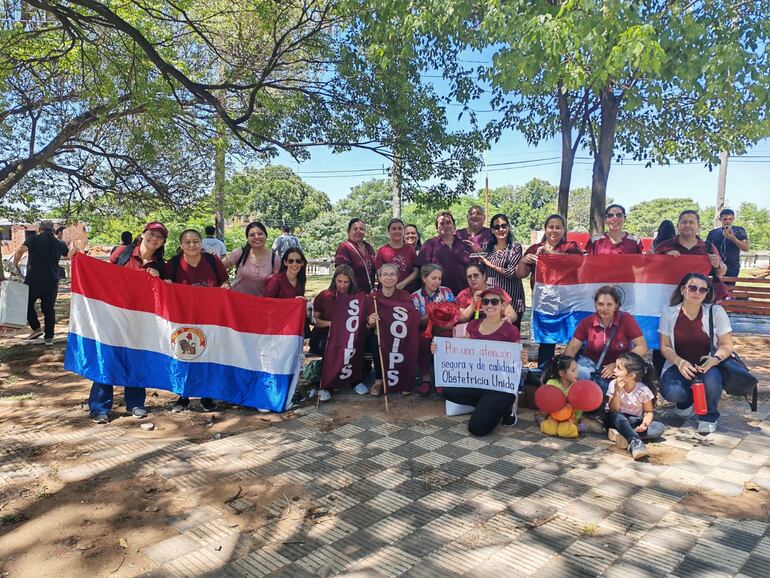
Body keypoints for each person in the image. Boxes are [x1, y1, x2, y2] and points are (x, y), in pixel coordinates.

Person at [85, 221, 168, 423]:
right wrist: (78, 261)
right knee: (107, 358)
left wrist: (159, 279)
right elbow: (102, 275)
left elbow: (166, 293)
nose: (154, 238)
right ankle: (100, 407)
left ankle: (136, 403)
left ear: (163, 242)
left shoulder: (161, 265)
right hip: (114, 315)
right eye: (151, 233)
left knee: (137, 359)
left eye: (159, 236)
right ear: (143, 234)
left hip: (142, 320)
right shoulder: (123, 252)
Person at [431, 287, 519, 436]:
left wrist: (521, 358)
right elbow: (462, 352)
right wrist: (439, 350)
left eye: (494, 301)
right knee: (444, 389)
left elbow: (515, 362)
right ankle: (485, 405)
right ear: (481, 305)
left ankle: (504, 407)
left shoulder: (510, 331)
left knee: (477, 429)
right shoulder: (473, 325)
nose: (489, 305)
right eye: (485, 301)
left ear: (502, 305)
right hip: (477, 382)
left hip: (500, 386)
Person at [658, 273, 733, 434]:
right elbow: (664, 346)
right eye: (692, 288)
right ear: (683, 289)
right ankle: (686, 404)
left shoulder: (716, 311)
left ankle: (709, 416)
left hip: (708, 363)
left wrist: (715, 359)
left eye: (702, 290)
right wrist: (679, 362)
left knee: (711, 380)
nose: (697, 292)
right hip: (679, 363)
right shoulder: (669, 313)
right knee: (672, 392)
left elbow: (726, 345)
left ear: (707, 293)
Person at [164, 229, 229, 413]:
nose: (192, 245)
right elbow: (165, 285)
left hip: (210, 318)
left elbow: (225, 282)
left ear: (201, 243)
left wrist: (225, 287)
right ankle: (183, 396)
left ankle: (206, 396)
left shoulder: (212, 260)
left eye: (195, 241)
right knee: (184, 355)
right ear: (181, 245)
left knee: (208, 353)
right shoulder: (174, 263)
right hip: (183, 318)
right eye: (187, 242)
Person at [516, 214, 582, 367]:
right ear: (545, 229)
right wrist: (524, 261)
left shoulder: (571, 247)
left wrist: (549, 253)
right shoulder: (535, 248)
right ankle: (544, 375)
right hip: (545, 303)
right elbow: (520, 274)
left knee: (573, 339)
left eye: (558, 227)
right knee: (546, 342)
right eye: (551, 227)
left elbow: (577, 263)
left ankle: (574, 374)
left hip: (569, 303)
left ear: (564, 230)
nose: (554, 230)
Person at [563, 286, 648, 393]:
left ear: (616, 306)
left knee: (612, 388)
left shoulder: (626, 319)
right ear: (595, 305)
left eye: (609, 304)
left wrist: (618, 364)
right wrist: (564, 369)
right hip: (591, 363)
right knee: (579, 374)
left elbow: (642, 346)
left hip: (620, 366)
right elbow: (572, 348)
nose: (604, 308)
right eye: (600, 304)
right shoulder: (587, 322)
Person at [309, 265, 363, 402]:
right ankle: (326, 385)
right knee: (329, 347)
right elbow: (315, 320)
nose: (342, 285)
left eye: (346, 282)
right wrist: (330, 324)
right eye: (339, 281)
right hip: (324, 333)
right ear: (334, 280)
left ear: (351, 282)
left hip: (349, 335)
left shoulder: (357, 297)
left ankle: (354, 380)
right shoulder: (324, 296)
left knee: (357, 343)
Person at [13, 220, 69, 345]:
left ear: (40, 229)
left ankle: (36, 328)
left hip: (34, 279)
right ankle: (49, 338)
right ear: (53, 230)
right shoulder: (59, 243)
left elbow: (20, 251)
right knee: (49, 309)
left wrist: (15, 265)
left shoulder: (33, 239)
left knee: (26, 303)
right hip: (52, 281)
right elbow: (69, 255)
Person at [604, 352, 665, 460]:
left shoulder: (643, 390)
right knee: (618, 417)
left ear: (631, 375)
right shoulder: (613, 384)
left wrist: (644, 425)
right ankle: (635, 442)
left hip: (632, 421)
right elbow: (613, 409)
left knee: (659, 427)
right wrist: (617, 391)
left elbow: (648, 412)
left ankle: (622, 434)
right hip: (614, 419)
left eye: (618, 368)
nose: (614, 370)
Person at [367, 263, 415, 396]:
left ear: (397, 278)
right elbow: (367, 321)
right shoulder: (373, 297)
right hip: (381, 333)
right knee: (375, 339)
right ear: (380, 278)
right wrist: (371, 320)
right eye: (385, 274)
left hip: (400, 333)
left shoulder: (404, 295)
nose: (389, 277)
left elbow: (410, 317)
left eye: (392, 274)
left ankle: (403, 380)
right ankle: (379, 380)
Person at [411, 264, 456, 397]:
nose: (437, 282)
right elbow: (417, 323)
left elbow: (454, 315)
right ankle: (426, 378)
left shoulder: (446, 291)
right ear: (424, 278)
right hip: (425, 329)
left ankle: (443, 378)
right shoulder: (415, 297)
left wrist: (442, 311)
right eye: (433, 278)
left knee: (446, 337)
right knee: (421, 339)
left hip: (443, 328)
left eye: (439, 279)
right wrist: (431, 313)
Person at [480, 213, 525, 326]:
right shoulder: (486, 248)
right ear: (492, 230)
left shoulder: (515, 247)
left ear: (508, 227)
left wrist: (490, 265)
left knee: (511, 335)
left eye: (504, 226)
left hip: (513, 298)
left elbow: (511, 273)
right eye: (496, 227)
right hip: (492, 300)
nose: (500, 229)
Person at [653, 210, 726, 277]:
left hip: (698, 290)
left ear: (698, 226)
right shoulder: (665, 246)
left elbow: (721, 273)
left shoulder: (708, 247)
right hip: (670, 289)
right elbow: (651, 269)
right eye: (684, 222)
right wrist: (664, 259)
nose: (687, 225)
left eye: (691, 222)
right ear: (678, 226)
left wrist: (718, 265)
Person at [417, 211, 470, 295]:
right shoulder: (430, 244)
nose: (445, 226)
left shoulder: (465, 245)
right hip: (437, 295)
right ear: (437, 228)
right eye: (442, 223)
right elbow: (423, 270)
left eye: (448, 222)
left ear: (454, 226)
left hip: (463, 294)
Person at [222, 221, 278, 296]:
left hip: (261, 304)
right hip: (236, 302)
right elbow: (218, 267)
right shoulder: (239, 253)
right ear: (247, 238)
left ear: (266, 235)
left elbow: (279, 283)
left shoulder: (275, 259)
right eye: (252, 235)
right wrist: (225, 282)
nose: (256, 237)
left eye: (260, 234)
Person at [375, 218, 419, 293]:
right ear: (388, 231)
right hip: (387, 292)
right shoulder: (382, 251)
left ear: (403, 231)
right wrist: (390, 286)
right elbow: (379, 273)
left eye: (400, 228)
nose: (397, 231)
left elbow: (416, 271)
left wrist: (403, 283)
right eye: (394, 229)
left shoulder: (410, 249)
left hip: (408, 292)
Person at [335, 218, 376, 293]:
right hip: (351, 294)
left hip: (368, 293)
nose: (358, 231)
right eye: (355, 229)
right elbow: (342, 273)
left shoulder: (369, 248)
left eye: (361, 229)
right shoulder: (344, 248)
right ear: (348, 231)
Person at [706, 209, 749, 279]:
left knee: (729, 288)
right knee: (713, 288)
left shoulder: (739, 230)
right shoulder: (713, 233)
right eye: (725, 219)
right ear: (720, 219)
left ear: (733, 219)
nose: (727, 221)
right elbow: (707, 249)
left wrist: (733, 238)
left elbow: (746, 248)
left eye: (730, 219)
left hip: (732, 267)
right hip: (716, 266)